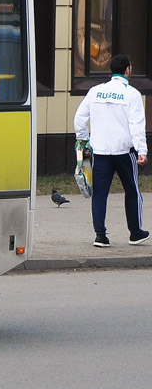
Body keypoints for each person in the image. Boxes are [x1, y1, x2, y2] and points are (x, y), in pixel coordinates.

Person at [73, 54, 149, 247]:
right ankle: (135, 233)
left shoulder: (95, 91)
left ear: (111, 70)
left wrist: (84, 140)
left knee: (99, 193)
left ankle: (100, 235)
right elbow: (136, 124)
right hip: (124, 152)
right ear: (128, 70)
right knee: (132, 191)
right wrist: (142, 150)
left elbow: (79, 119)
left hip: (100, 152)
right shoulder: (131, 94)